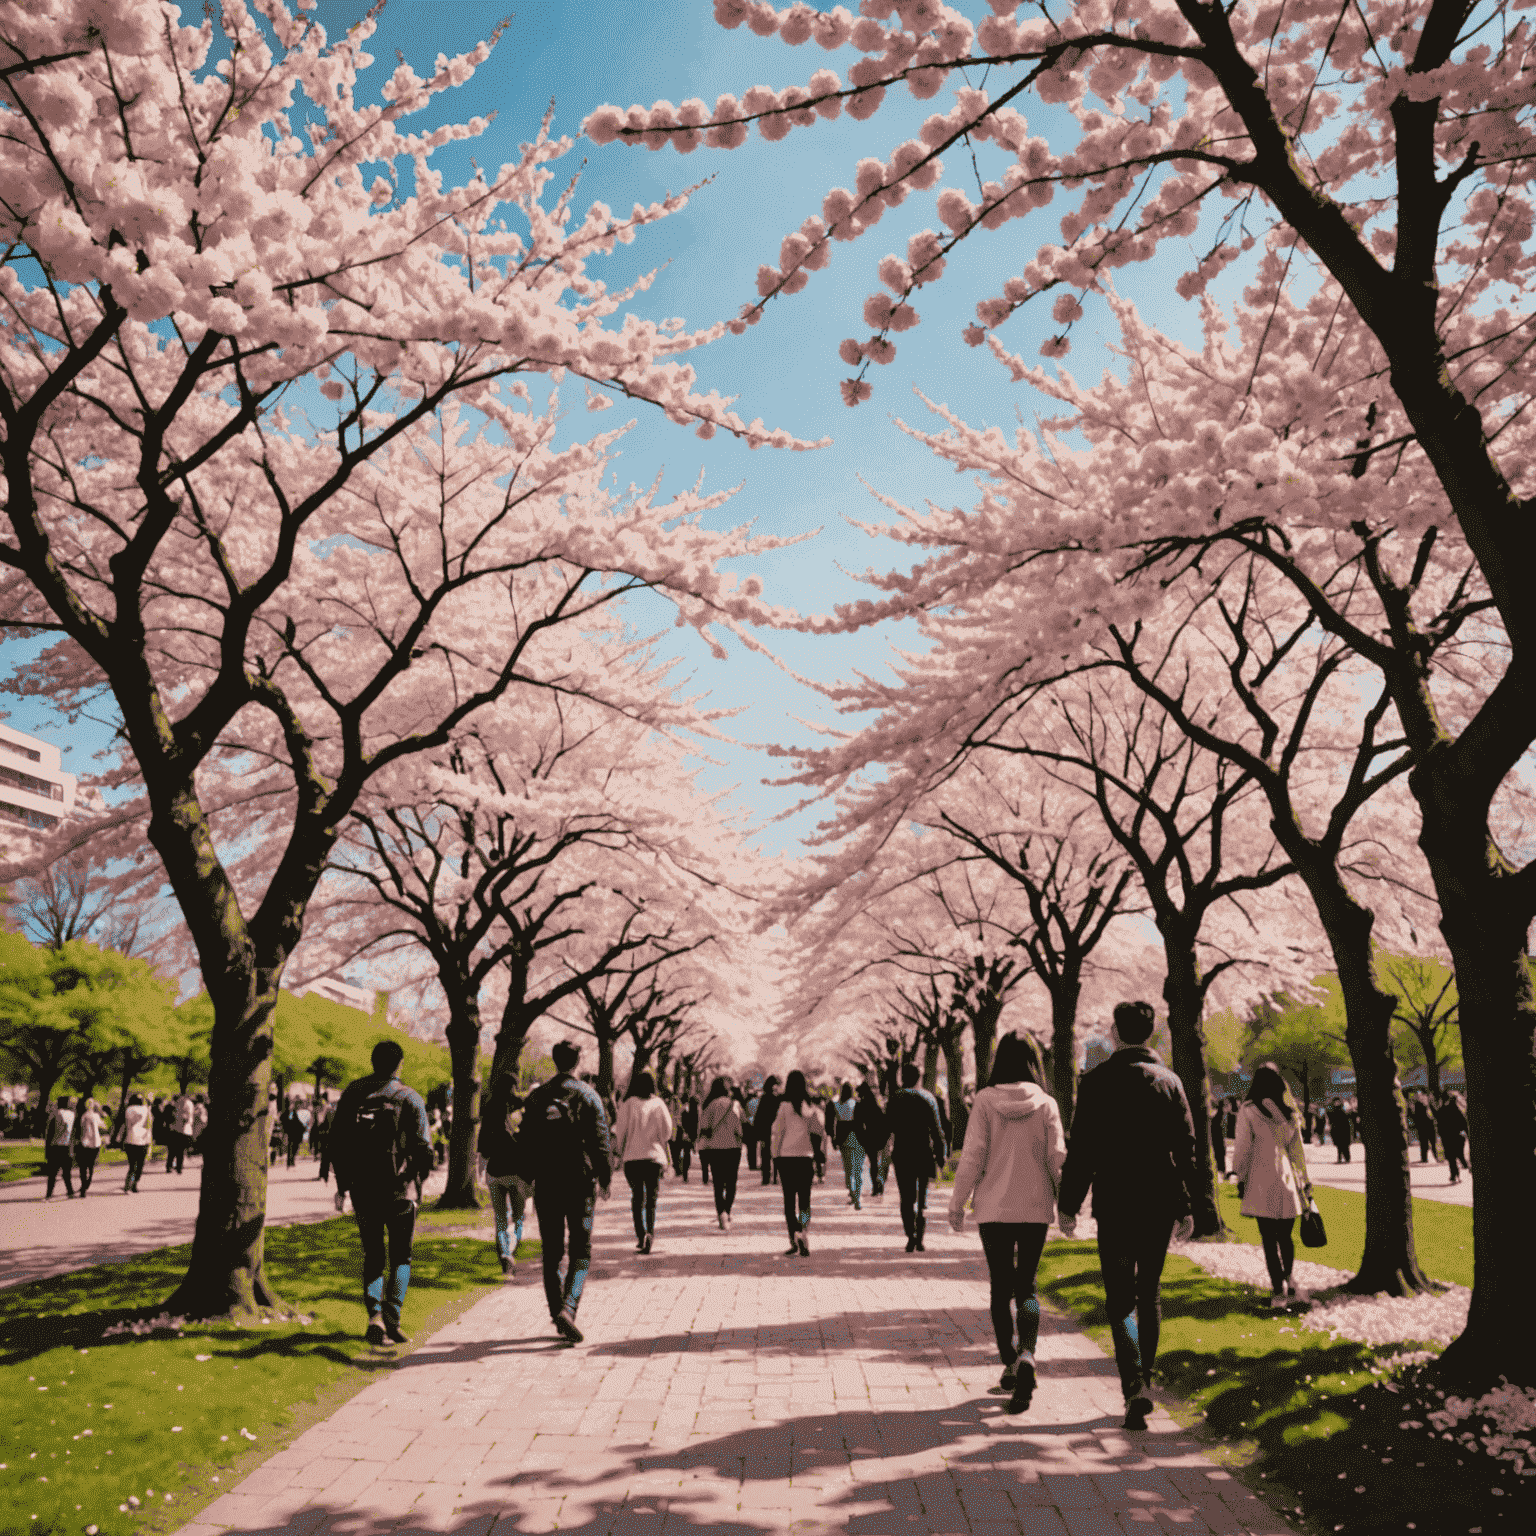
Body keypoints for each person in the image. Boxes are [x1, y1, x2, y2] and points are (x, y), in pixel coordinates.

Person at [1057, 1000, 1200, 1432]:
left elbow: (1082, 1150)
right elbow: (1186, 1149)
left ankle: (1133, 1383)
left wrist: (1069, 1205)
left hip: (1115, 1201)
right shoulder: (1170, 1082)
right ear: (1152, 1033)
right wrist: (1188, 1206)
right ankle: (1145, 1381)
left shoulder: (1096, 1082)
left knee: (1120, 1299)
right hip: (1157, 1200)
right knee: (1149, 1292)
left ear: (1116, 1033)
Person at [949, 1032, 1066, 1415]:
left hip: (994, 1209)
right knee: (1027, 1286)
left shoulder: (984, 1101)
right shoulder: (1046, 1104)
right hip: (1034, 1208)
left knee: (1001, 1287)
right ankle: (1028, 1353)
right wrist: (1066, 1204)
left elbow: (973, 1156)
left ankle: (1011, 1364)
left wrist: (957, 1201)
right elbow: (1057, 1158)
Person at [329, 1040, 434, 1346]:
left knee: (373, 1255)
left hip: (363, 1188)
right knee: (402, 1256)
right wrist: (419, 1181)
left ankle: (373, 1315)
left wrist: (342, 1186)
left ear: (373, 1061)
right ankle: (393, 1317)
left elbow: (337, 1142)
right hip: (400, 1190)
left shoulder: (353, 1094)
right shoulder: (411, 1098)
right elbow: (423, 1148)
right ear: (399, 1064)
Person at [516, 1041, 611, 1342]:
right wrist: (606, 1176)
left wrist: (526, 1176)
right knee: (581, 1250)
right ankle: (569, 1307)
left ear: (554, 1061)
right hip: (581, 1182)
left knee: (552, 1251)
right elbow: (600, 1139)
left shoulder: (537, 1097)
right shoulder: (588, 1096)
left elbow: (525, 1140)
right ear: (579, 1060)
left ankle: (557, 1310)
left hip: (547, 1182)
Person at [1231, 1063, 1313, 1309]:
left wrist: (1239, 1174)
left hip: (1260, 1177)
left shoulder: (1249, 1110)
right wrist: (1305, 1181)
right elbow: (1297, 1152)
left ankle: (1277, 1289)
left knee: (1268, 1239)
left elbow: (1243, 1146)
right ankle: (1289, 1278)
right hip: (1287, 1177)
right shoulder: (1290, 1112)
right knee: (1286, 1236)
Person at [889, 1061, 948, 1252]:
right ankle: (920, 1237)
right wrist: (941, 1155)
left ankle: (910, 1235)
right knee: (922, 1198)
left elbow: (886, 1126)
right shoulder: (928, 1098)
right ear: (919, 1077)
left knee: (906, 1197)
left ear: (902, 1077)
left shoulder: (895, 1098)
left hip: (902, 1153)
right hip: (923, 1152)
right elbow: (937, 1130)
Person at [613, 1070, 672, 1253]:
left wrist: (619, 1153)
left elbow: (620, 1131)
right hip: (654, 1157)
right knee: (652, 1199)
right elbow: (667, 1132)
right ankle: (650, 1233)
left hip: (632, 1158)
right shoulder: (659, 1104)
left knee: (637, 1197)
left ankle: (641, 1235)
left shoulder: (628, 1104)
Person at [770, 1069, 825, 1255]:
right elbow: (820, 1131)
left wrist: (774, 1155)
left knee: (788, 1200)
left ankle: (793, 1238)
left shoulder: (784, 1106)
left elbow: (777, 1132)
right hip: (806, 1157)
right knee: (804, 1200)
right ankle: (803, 1231)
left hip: (786, 1158)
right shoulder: (811, 1107)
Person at [477, 1082, 529, 1274]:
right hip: (516, 1172)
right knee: (518, 1217)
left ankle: (505, 1251)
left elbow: (482, 1146)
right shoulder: (520, 1113)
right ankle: (511, 1248)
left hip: (495, 1172)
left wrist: (480, 1171)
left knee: (500, 1218)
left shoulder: (490, 1114)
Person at [697, 1076, 745, 1229]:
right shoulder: (735, 1104)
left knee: (718, 1183)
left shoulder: (710, 1105)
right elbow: (741, 1125)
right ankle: (727, 1211)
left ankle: (721, 1214)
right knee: (731, 1182)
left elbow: (703, 1127)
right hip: (733, 1147)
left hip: (715, 1148)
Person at [854, 1081, 889, 1198]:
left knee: (873, 1162)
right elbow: (884, 1120)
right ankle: (879, 1184)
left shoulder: (860, 1105)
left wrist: (861, 1139)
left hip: (868, 1137)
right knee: (879, 1162)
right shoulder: (876, 1104)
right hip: (880, 1136)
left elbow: (857, 1125)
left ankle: (876, 1186)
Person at [832, 1083, 863, 1206]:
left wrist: (835, 1140)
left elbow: (835, 1125)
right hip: (858, 1139)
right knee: (858, 1170)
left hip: (844, 1141)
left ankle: (852, 1192)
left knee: (848, 1170)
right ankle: (858, 1197)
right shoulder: (857, 1104)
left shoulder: (837, 1105)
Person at [43, 1095, 76, 1199]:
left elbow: (50, 1133)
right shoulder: (72, 1115)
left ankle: (49, 1194)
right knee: (66, 1172)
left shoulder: (55, 1114)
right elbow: (74, 1132)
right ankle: (70, 1192)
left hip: (55, 1146)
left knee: (52, 1173)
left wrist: (47, 1149)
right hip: (67, 1146)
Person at [72, 1096, 104, 1196]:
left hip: (86, 1142)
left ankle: (84, 1186)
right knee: (89, 1166)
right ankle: (85, 1186)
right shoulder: (94, 1116)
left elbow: (79, 1130)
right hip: (93, 1143)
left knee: (85, 1166)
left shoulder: (83, 1116)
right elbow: (103, 1127)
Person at [1435, 1089, 1468, 1184]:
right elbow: (1464, 1123)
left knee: (1451, 1157)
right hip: (1457, 1136)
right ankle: (1458, 1171)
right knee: (1458, 1155)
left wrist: (1440, 1135)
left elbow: (1438, 1124)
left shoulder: (1442, 1110)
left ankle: (1455, 1175)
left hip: (1447, 1137)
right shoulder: (1457, 1109)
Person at [754, 1075, 781, 1185]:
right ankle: (774, 1177)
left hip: (765, 1130)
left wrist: (757, 1131)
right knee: (776, 1154)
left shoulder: (764, 1098)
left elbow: (759, 1116)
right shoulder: (778, 1099)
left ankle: (765, 1177)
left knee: (765, 1155)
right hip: (776, 1130)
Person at [121, 1093, 152, 1192]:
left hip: (130, 1139)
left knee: (132, 1164)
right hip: (142, 1140)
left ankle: (128, 1183)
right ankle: (134, 1184)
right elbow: (149, 1124)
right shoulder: (146, 1109)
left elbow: (126, 1124)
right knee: (140, 1164)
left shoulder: (128, 1109)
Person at [1326, 1097, 1352, 1163]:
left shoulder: (1344, 1111)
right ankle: (1340, 1159)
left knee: (1344, 1146)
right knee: (1339, 1146)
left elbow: (1348, 1121)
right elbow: (1330, 1119)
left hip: (1344, 1130)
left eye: (1338, 1102)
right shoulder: (1332, 1111)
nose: (1337, 1103)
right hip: (1336, 1130)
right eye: (1335, 1102)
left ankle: (1347, 1158)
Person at [1210, 1098, 1228, 1179]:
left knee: (1219, 1157)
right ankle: (1222, 1173)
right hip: (1218, 1140)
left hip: (1217, 1140)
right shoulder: (1220, 1116)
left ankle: (1221, 1173)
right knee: (1220, 1156)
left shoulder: (1217, 1116)